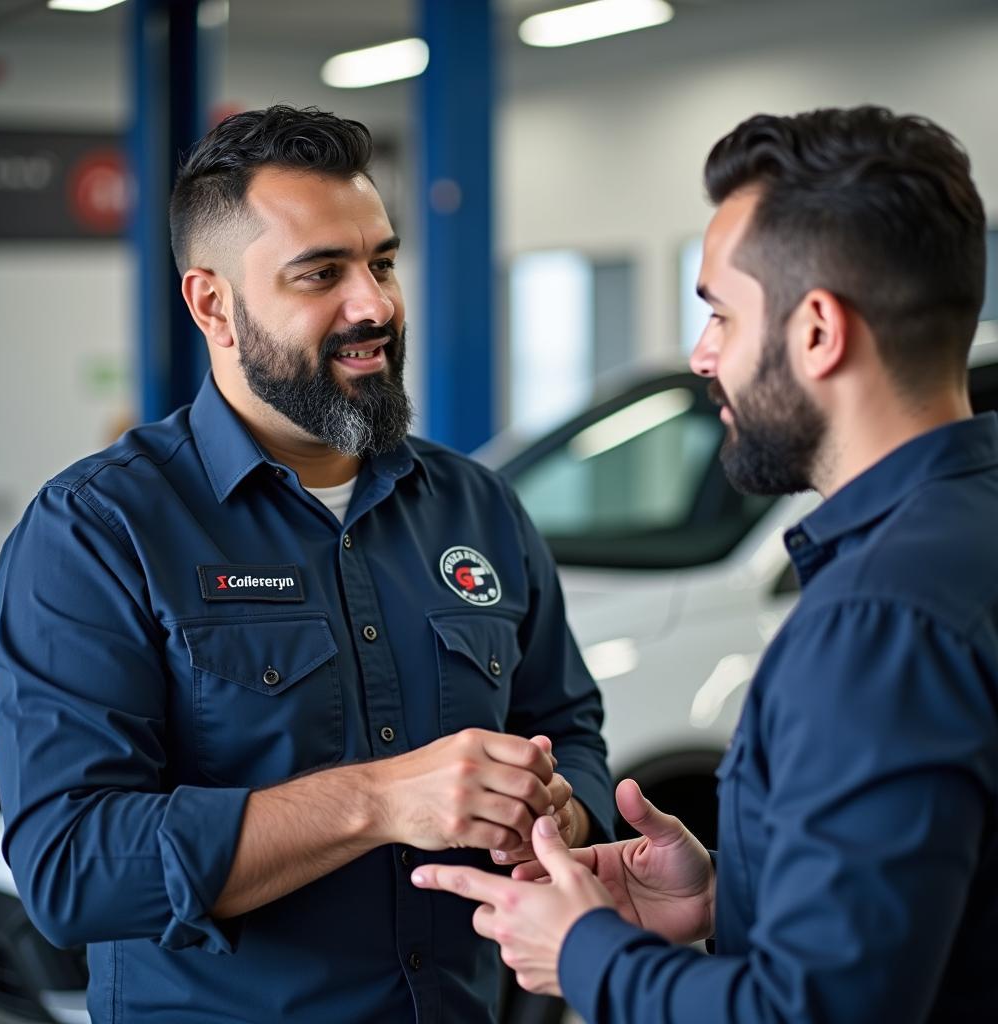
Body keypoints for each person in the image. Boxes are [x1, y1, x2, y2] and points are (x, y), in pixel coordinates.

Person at [0, 105, 614, 1024]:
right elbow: (76, 872)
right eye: (322, 274)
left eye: (383, 262)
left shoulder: (477, 507)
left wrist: (560, 805)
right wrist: (378, 799)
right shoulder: (96, 533)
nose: (376, 306)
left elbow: (569, 726)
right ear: (212, 305)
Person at [412, 105, 998, 1023]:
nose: (702, 354)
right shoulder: (968, 534)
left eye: (721, 313)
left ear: (817, 332)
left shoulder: (877, 619)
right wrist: (729, 894)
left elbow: (816, 1012)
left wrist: (586, 951)